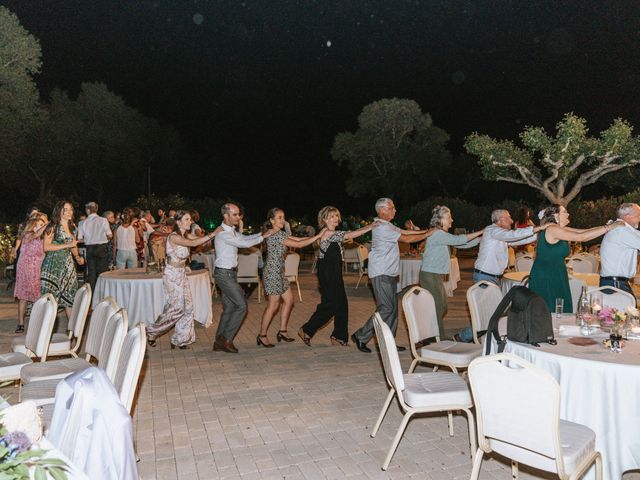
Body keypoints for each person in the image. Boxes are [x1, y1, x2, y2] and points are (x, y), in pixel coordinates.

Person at [351, 198, 434, 353]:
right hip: (381, 272)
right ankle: (361, 335)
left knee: (393, 309)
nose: (395, 210)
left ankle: (388, 342)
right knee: (386, 308)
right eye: (392, 208)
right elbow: (407, 238)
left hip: (388, 271)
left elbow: (405, 232)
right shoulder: (382, 227)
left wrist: (427, 231)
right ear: (382, 210)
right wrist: (429, 233)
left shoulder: (387, 225)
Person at [454, 209, 547, 342]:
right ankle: (463, 336)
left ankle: (477, 338)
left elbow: (518, 240)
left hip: (491, 278)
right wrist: (539, 228)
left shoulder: (500, 235)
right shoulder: (493, 230)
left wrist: (541, 235)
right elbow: (514, 235)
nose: (511, 221)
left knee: (493, 313)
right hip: (485, 277)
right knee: (490, 314)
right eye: (508, 218)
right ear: (500, 220)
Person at [298, 206, 377, 347]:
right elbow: (349, 235)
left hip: (334, 271)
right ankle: (306, 329)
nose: (335, 219)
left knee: (342, 304)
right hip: (327, 272)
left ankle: (338, 336)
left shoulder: (331, 234)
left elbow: (343, 240)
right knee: (331, 304)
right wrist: (370, 227)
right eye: (332, 216)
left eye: (336, 216)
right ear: (324, 219)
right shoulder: (327, 232)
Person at [146, 211, 222, 349]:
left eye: (190, 219)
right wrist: (214, 233)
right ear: (179, 222)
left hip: (181, 273)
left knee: (188, 307)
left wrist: (217, 236)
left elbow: (201, 240)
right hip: (172, 275)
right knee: (176, 308)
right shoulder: (174, 237)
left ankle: (181, 339)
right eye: (186, 219)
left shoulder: (185, 235)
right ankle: (151, 331)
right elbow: (192, 243)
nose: (190, 222)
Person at [529, 205, 623, 313]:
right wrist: (609, 228)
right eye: (564, 212)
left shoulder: (559, 229)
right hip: (547, 276)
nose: (568, 214)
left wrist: (608, 226)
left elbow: (584, 231)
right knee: (549, 308)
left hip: (557, 272)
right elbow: (582, 238)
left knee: (559, 307)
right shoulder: (552, 229)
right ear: (556, 215)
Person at [213, 203, 276, 353]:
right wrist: (264, 236)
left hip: (230, 273)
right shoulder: (223, 233)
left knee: (229, 308)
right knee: (241, 306)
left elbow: (245, 237)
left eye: (238, 214)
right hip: (224, 274)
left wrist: (262, 234)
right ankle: (227, 339)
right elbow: (243, 243)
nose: (238, 217)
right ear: (226, 216)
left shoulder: (232, 231)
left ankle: (218, 342)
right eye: (234, 214)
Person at [257, 208, 325, 347]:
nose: (283, 220)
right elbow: (299, 244)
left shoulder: (280, 233)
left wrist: (318, 236)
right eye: (280, 218)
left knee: (289, 301)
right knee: (273, 305)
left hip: (279, 272)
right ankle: (262, 335)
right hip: (272, 273)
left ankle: (282, 331)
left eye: (284, 217)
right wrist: (318, 236)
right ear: (272, 220)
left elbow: (299, 239)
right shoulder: (274, 235)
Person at [420, 205, 484, 337]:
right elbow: (459, 240)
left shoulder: (441, 234)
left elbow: (461, 244)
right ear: (440, 220)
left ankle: (430, 334)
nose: (452, 220)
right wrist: (481, 231)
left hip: (434, 275)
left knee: (443, 306)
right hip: (429, 275)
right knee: (438, 307)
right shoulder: (437, 233)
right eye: (449, 217)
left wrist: (479, 240)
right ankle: (436, 338)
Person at [40, 201, 84, 321]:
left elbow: (73, 245)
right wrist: (66, 245)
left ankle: (72, 330)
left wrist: (78, 258)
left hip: (68, 265)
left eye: (71, 209)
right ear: (59, 210)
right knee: (50, 299)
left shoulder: (72, 227)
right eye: (66, 209)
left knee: (69, 295)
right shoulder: (52, 226)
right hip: (53, 265)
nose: (70, 212)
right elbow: (46, 247)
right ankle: (44, 328)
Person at [13, 213, 48, 333]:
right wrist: (49, 222)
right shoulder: (28, 235)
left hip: (37, 269)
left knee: (37, 296)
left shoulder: (42, 238)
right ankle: (21, 324)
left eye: (42, 225)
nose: (41, 227)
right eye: (39, 224)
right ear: (33, 226)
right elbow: (37, 233)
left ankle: (37, 323)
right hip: (25, 268)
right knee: (24, 297)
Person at [599, 203, 640, 295]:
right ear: (627, 217)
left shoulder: (623, 230)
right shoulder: (621, 231)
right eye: (638, 215)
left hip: (615, 283)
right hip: (615, 284)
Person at [78, 201, 112, 292]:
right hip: (101, 247)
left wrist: (89, 239)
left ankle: (92, 296)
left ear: (87, 210)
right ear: (96, 209)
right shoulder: (103, 220)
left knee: (91, 274)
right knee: (103, 273)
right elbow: (110, 235)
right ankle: (103, 293)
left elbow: (80, 239)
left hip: (89, 248)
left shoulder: (82, 223)